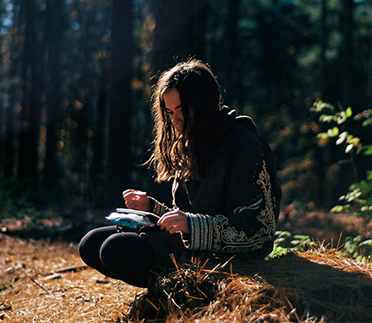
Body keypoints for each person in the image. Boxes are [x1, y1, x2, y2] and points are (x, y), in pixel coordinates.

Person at [78, 59, 282, 288]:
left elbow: (260, 233)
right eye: (169, 112)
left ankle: (183, 294)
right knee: (91, 243)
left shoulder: (245, 147)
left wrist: (192, 225)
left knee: (115, 249)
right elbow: (186, 218)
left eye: (182, 110)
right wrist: (152, 209)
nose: (175, 120)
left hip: (226, 263)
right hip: (192, 251)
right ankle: (171, 292)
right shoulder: (191, 143)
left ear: (204, 104)